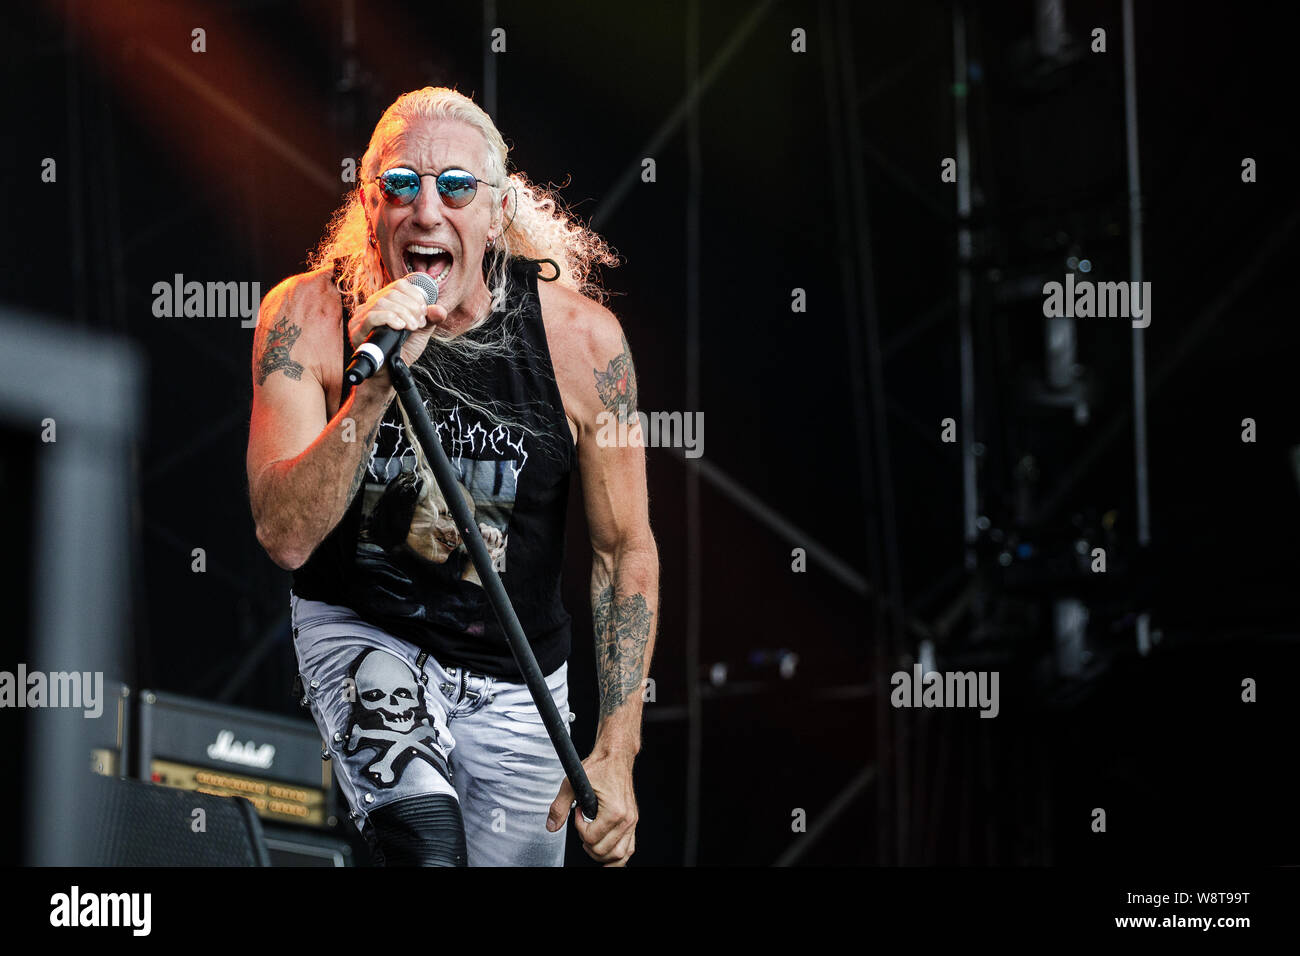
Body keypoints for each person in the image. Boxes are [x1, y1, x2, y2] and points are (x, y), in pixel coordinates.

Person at [246, 86, 658, 866]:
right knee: (425, 847)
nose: (426, 211)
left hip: (515, 671)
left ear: (497, 211)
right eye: (400, 185)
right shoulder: (307, 319)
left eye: (455, 187)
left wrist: (617, 747)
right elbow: (286, 537)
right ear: (370, 207)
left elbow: (622, 552)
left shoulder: (582, 344)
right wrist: (372, 391)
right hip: (366, 628)